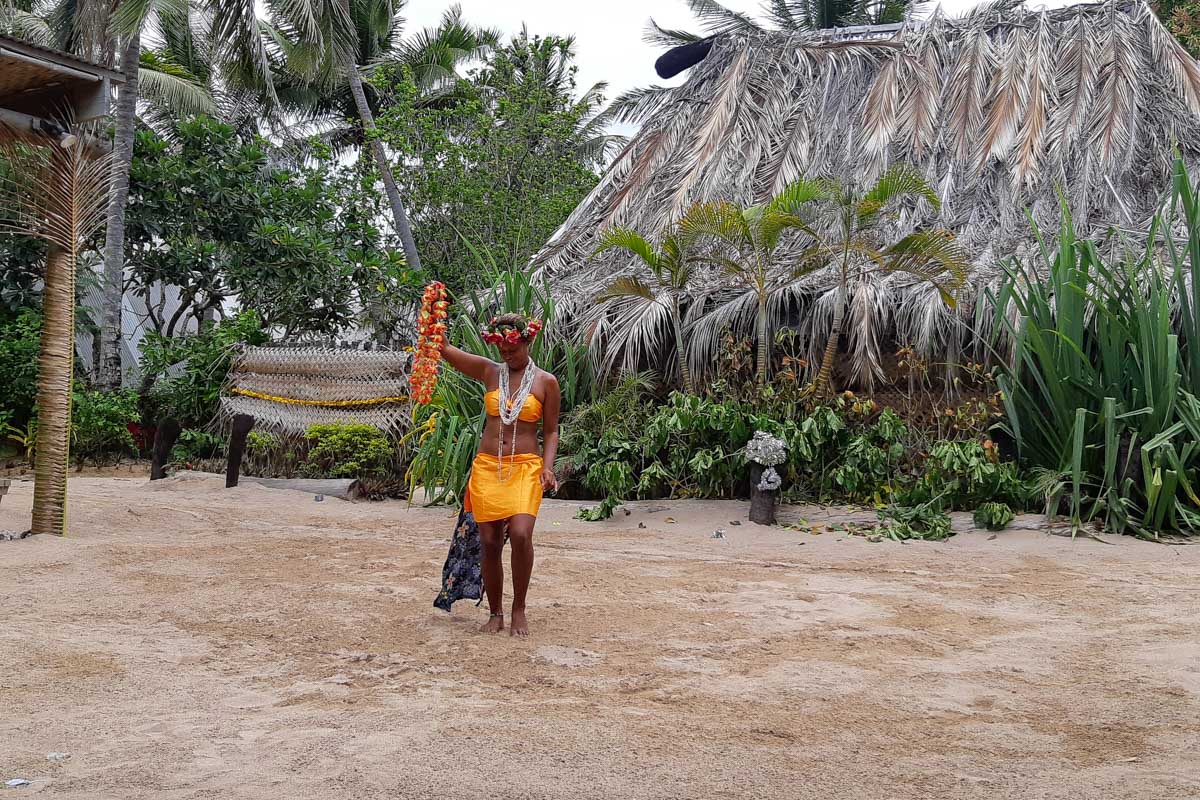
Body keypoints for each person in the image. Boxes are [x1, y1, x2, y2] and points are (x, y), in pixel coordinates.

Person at [439, 313, 560, 637]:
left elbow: (550, 432)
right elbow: (446, 349)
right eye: (503, 351)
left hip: (525, 467)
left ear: (527, 342)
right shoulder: (490, 372)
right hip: (487, 467)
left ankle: (519, 608)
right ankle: (496, 613)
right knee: (490, 542)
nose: (507, 357)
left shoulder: (546, 382)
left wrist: (548, 467)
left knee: (521, 534)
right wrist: (434, 314)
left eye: (513, 351)